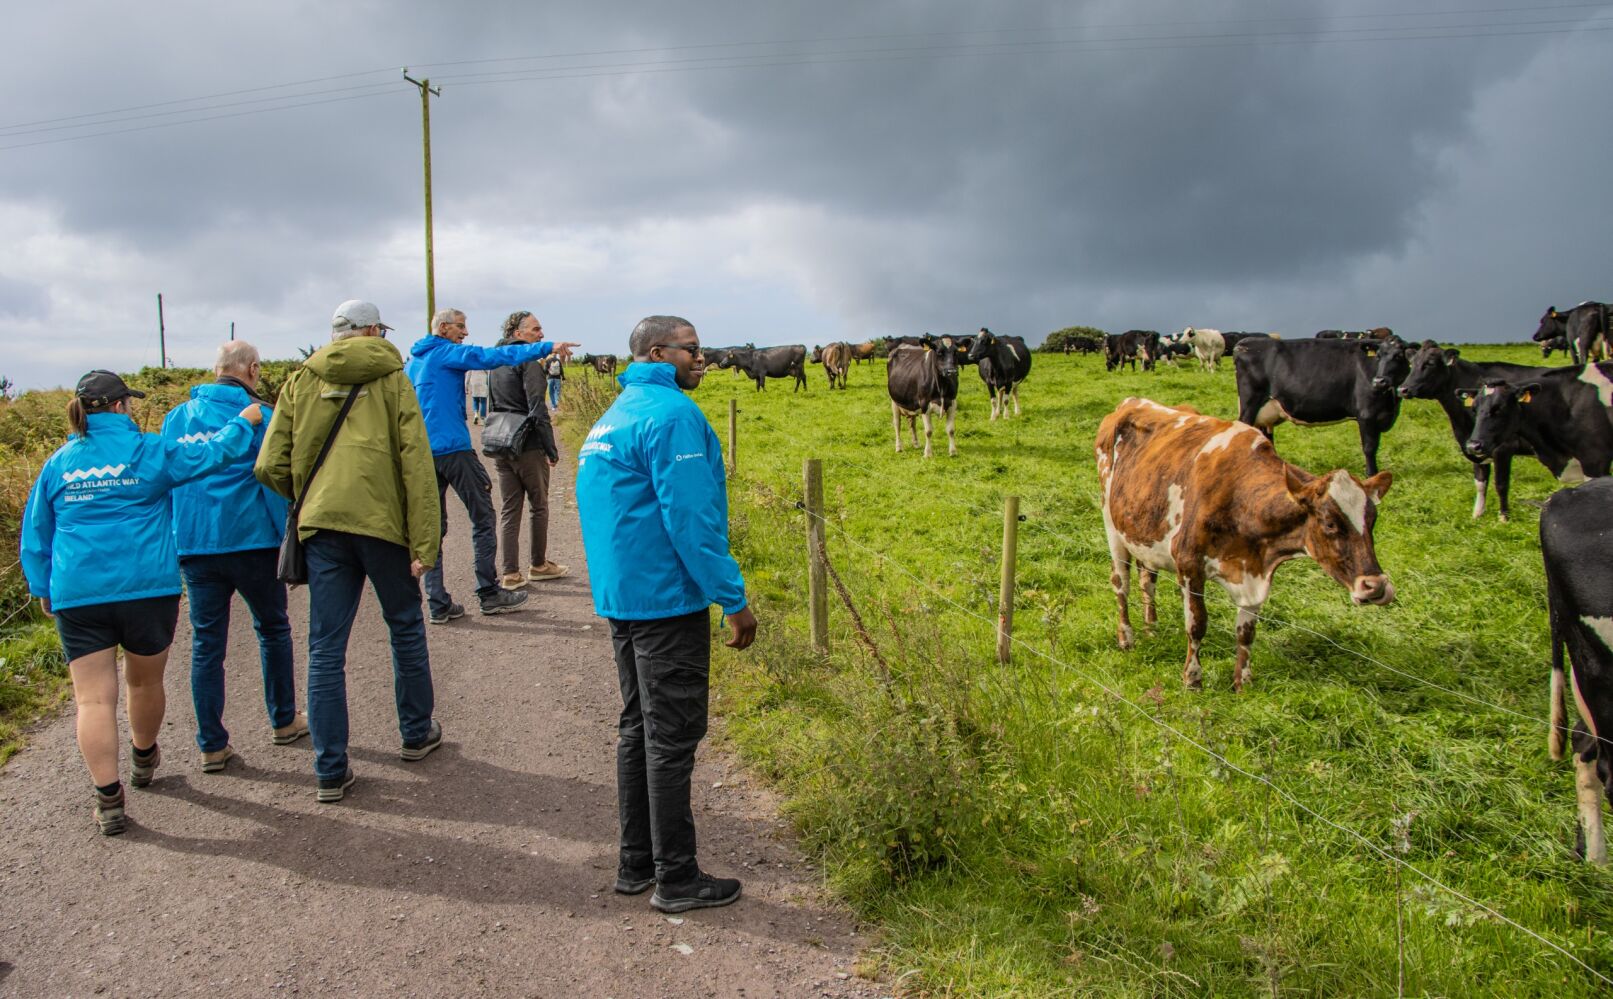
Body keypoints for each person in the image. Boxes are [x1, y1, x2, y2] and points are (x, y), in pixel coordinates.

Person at [21, 370, 264, 835]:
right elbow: (210, 455)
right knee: (143, 683)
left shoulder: (58, 464)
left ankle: (108, 799)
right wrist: (245, 420)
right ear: (119, 407)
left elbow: (36, 533)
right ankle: (143, 756)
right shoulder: (149, 451)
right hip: (147, 589)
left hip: (78, 593)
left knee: (92, 699)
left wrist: (43, 588)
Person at [575, 315, 758, 913]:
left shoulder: (615, 415)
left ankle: (636, 864)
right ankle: (676, 878)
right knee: (673, 737)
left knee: (639, 726)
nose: (702, 359)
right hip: (665, 599)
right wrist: (733, 598)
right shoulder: (672, 414)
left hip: (623, 597)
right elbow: (692, 521)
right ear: (660, 352)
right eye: (693, 350)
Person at [254, 300, 443, 803]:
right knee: (403, 625)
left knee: (325, 648)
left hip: (323, 526)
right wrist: (425, 539)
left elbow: (270, 462)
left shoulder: (300, 380)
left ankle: (330, 769)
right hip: (383, 524)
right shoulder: (393, 379)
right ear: (374, 331)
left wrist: (308, 496)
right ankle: (415, 733)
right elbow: (416, 463)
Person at [161, 341, 306, 774]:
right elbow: (276, 472)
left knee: (207, 644)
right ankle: (283, 720)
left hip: (195, 543)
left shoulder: (176, 418)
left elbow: (169, 475)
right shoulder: (260, 414)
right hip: (252, 539)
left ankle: (211, 743)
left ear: (215, 370)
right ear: (253, 370)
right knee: (273, 629)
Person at [403, 308, 579, 623]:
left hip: (422, 453)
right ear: (443, 328)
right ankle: (489, 592)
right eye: (460, 326)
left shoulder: (412, 363)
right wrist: (546, 347)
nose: (465, 333)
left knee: (433, 526)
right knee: (483, 517)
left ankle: (437, 602)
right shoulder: (446, 352)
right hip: (454, 449)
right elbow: (489, 357)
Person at [488, 311, 568, 590]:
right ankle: (538, 564)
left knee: (510, 508)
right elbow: (537, 408)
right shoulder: (528, 361)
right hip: (528, 444)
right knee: (539, 505)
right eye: (536, 329)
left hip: (500, 441)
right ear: (519, 334)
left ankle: (510, 572)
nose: (541, 334)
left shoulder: (495, 362)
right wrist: (550, 448)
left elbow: (494, 403)